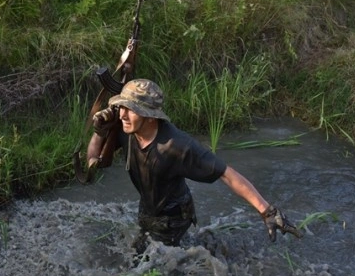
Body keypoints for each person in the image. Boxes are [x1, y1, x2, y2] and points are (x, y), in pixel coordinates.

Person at [86, 78, 302, 253]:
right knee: (140, 253)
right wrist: (100, 132)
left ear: (151, 117)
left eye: (130, 109)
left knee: (149, 268)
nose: (122, 114)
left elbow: (226, 174)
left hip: (174, 217)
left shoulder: (177, 146)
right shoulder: (127, 130)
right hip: (148, 209)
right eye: (122, 107)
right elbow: (92, 164)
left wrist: (267, 211)